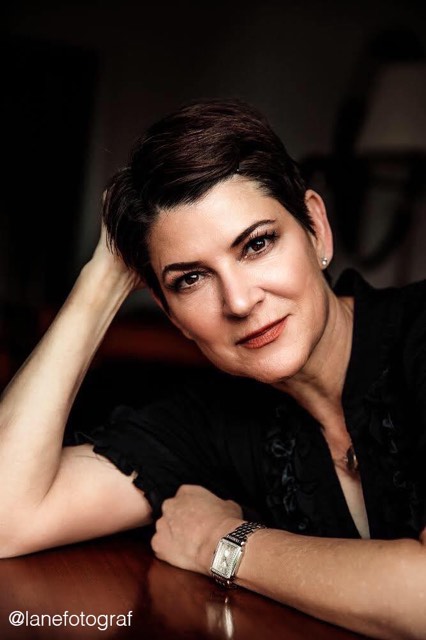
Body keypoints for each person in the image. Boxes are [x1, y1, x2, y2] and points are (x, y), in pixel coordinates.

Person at [0, 98, 425, 639]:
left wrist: (221, 543)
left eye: (257, 244)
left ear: (316, 228)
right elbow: (7, 517)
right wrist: (100, 284)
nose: (240, 301)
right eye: (190, 279)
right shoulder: (213, 418)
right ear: (169, 313)